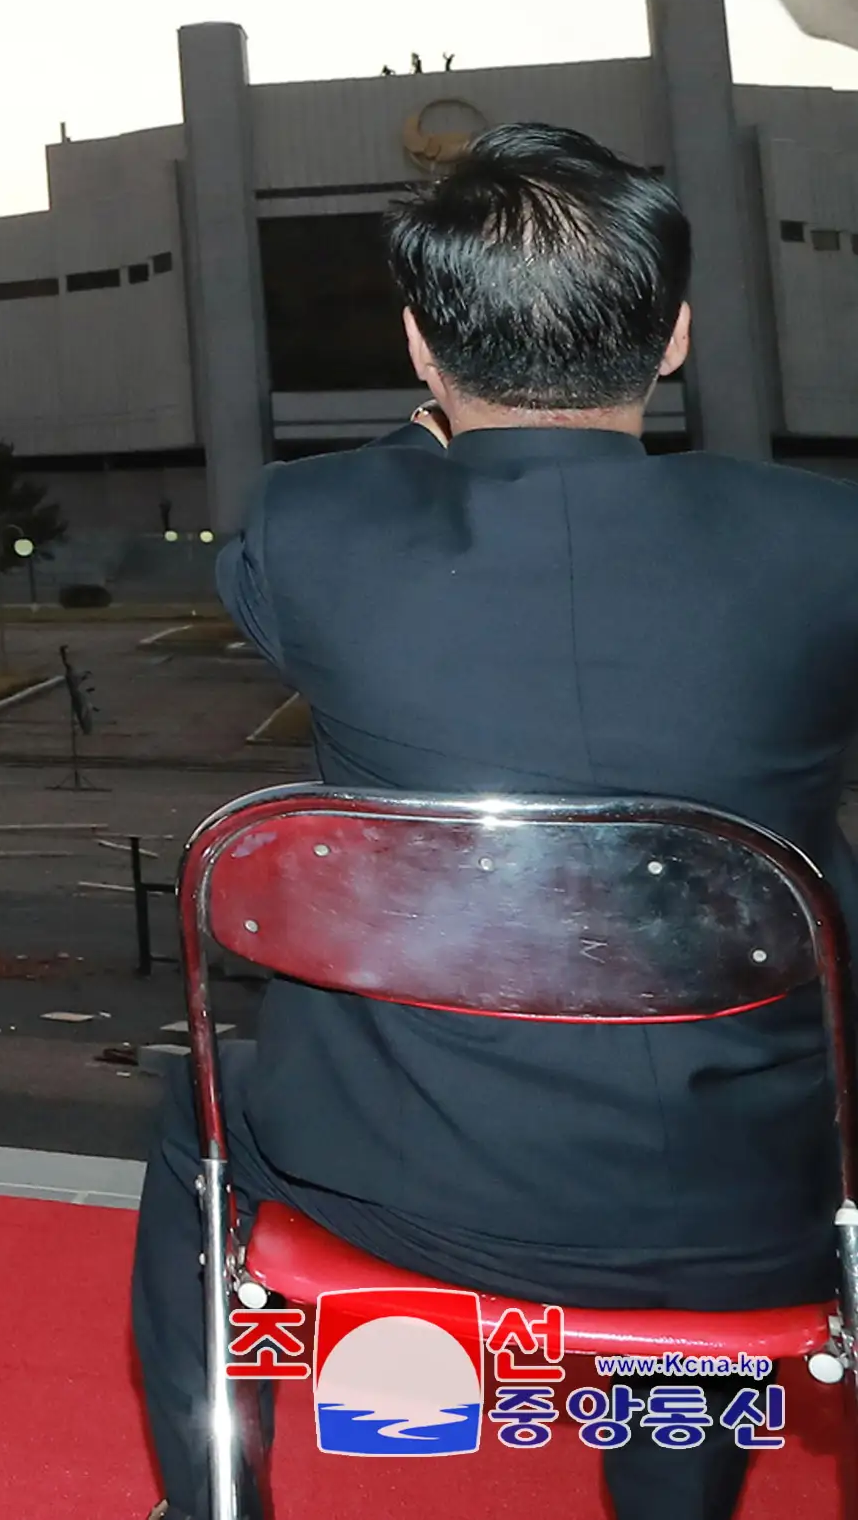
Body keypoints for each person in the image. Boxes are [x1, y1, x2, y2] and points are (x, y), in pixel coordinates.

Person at [129, 123, 858, 1520]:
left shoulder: (313, 527)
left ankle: (210, 1505)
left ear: (419, 348)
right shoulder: (823, 546)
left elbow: (328, 531)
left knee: (193, 1118)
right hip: (746, 1210)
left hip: (388, 1179)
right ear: (679, 334)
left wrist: (434, 430)